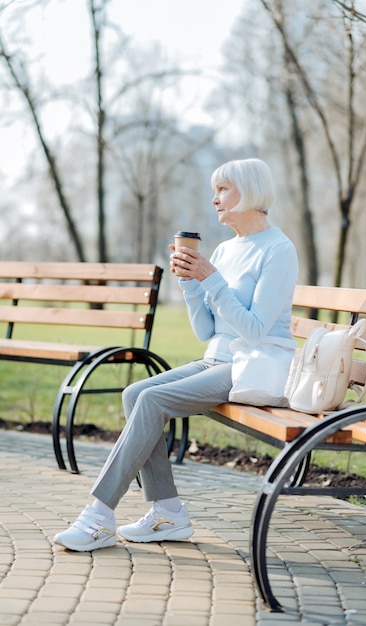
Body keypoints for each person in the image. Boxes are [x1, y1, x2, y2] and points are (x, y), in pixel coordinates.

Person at [53, 157, 299, 552]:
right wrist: (190, 285)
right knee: (135, 394)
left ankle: (98, 516)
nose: (215, 198)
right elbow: (206, 330)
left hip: (254, 363)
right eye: (215, 190)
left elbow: (254, 331)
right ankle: (168, 512)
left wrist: (211, 278)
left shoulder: (278, 250)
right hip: (217, 358)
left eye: (223, 189)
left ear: (249, 192)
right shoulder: (225, 249)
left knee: (151, 399)